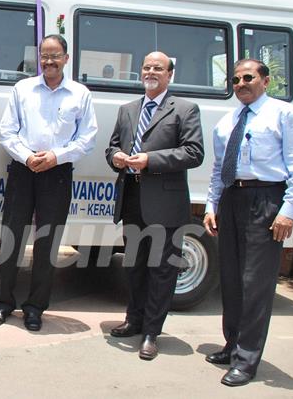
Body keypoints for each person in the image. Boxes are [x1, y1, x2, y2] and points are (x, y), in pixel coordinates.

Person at [203, 59, 293, 387]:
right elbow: (219, 167)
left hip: (266, 199)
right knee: (233, 279)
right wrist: (212, 204)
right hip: (232, 200)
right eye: (235, 80)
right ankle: (232, 344)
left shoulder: (284, 114)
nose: (241, 84)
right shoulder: (228, 120)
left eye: (248, 77)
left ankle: (247, 360)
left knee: (256, 284)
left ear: (265, 81)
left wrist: (289, 209)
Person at [0, 34, 97, 331]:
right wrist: (27, 157)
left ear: (66, 58)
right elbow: (7, 132)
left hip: (58, 173)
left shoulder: (79, 94)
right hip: (23, 170)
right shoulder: (23, 89)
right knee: (11, 238)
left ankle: (35, 307)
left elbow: (87, 138)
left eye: (55, 55)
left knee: (47, 245)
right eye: (44, 56)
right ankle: (2, 302)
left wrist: (55, 156)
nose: (49, 61)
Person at [105, 51, 204, 360]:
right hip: (131, 198)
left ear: (169, 74)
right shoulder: (127, 109)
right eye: (146, 67)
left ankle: (151, 332)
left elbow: (194, 152)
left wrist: (151, 160)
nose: (151, 72)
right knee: (133, 266)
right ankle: (133, 320)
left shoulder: (185, 109)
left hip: (165, 202)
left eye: (157, 68)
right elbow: (111, 146)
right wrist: (116, 158)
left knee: (161, 270)